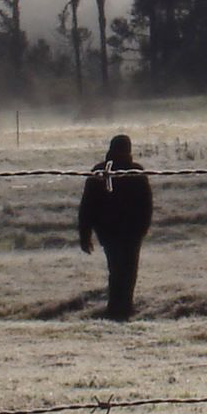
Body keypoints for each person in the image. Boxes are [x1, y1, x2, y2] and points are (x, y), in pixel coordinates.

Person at [78, 134, 153, 320]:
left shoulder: (100, 171)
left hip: (109, 231)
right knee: (127, 270)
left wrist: (85, 233)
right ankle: (123, 307)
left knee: (117, 269)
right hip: (129, 232)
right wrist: (142, 228)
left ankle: (117, 308)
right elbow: (147, 204)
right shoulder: (134, 171)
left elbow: (87, 206)